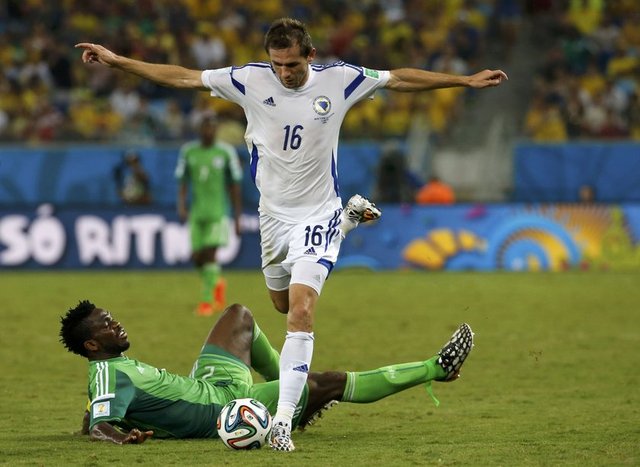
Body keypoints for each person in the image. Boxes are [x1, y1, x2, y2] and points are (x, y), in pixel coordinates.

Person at [75, 17, 505, 451]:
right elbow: (182, 77)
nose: (284, 73)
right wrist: (118, 61)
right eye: (277, 64)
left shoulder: (340, 79)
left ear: (310, 56)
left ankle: (281, 422)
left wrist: (464, 81)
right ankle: (347, 226)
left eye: (293, 65)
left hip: (316, 215)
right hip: (273, 220)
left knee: (300, 312)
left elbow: (399, 79)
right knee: (279, 304)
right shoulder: (248, 80)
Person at [59, 300, 474, 445]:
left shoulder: (110, 373)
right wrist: (121, 437)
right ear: (92, 346)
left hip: (210, 385)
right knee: (330, 381)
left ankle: (290, 395)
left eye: (112, 318)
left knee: (238, 315)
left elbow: (96, 410)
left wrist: (100, 418)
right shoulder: (105, 374)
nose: (117, 325)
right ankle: (434, 369)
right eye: (106, 325)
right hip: (225, 409)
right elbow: (99, 426)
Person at [176, 114, 243, 316]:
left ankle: (207, 302)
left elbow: (234, 185)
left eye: (213, 127)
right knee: (197, 258)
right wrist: (182, 206)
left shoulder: (226, 152)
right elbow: (183, 181)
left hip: (218, 212)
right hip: (197, 213)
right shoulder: (188, 151)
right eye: (206, 127)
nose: (209, 131)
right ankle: (217, 283)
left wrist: (237, 218)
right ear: (200, 129)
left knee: (210, 255)